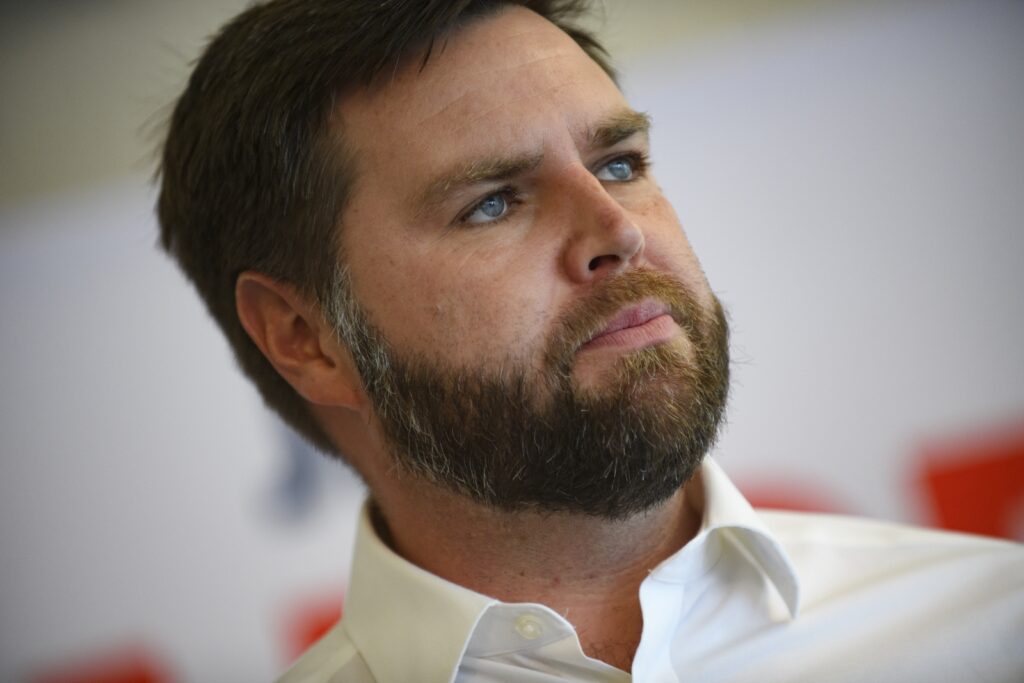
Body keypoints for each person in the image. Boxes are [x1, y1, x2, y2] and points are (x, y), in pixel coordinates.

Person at [156, 1, 1024, 681]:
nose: (619, 231)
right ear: (305, 338)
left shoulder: (996, 626)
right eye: (494, 201)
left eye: (619, 163)